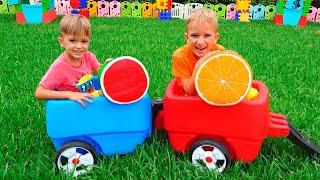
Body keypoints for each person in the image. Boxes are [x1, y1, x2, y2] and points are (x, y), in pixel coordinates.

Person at [35, 14, 101, 107]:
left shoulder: (88, 56)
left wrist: (108, 66)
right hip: (71, 106)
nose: (79, 46)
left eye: (84, 41)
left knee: (112, 93)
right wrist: (70, 94)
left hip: (90, 98)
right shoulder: (59, 67)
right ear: (61, 42)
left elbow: (102, 73)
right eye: (72, 40)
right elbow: (39, 93)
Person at [172, 8, 224, 96]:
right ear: (187, 38)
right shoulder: (180, 56)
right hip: (187, 99)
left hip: (211, 95)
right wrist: (198, 66)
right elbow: (189, 92)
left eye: (207, 35)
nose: (200, 42)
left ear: (216, 38)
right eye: (194, 35)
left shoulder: (220, 52)